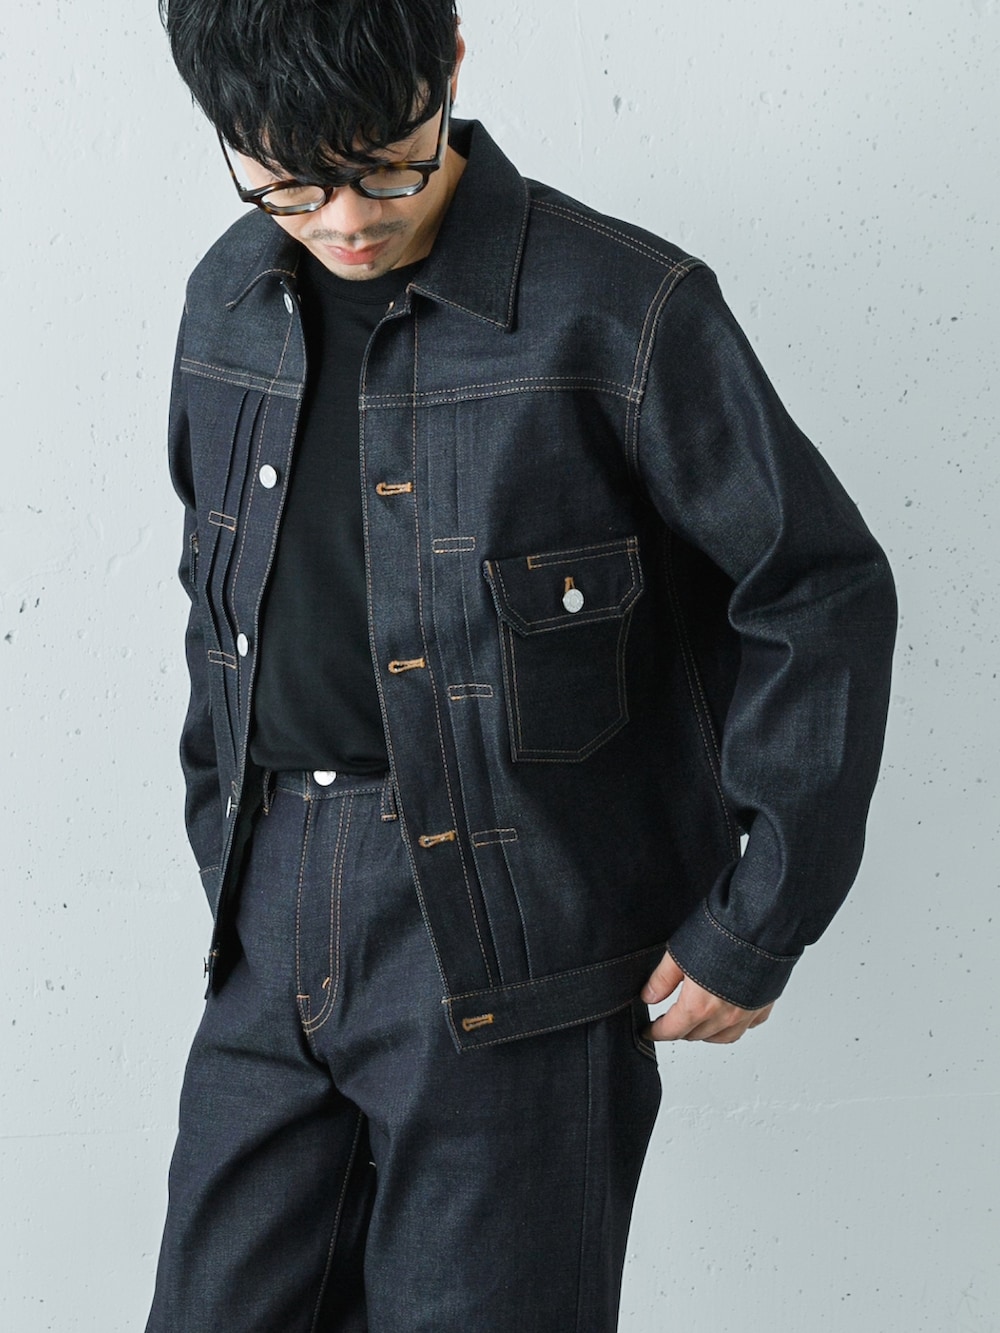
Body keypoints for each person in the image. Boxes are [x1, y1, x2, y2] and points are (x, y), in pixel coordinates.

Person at [147, 2, 897, 1329]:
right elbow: (219, 612)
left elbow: (817, 589)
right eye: (288, 179)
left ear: (449, 61)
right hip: (271, 930)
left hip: (522, 947)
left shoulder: (618, 311)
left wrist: (757, 918)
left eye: (384, 163)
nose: (345, 220)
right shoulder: (228, 300)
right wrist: (236, 857)